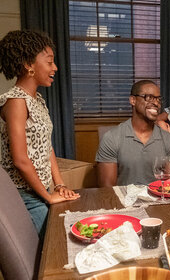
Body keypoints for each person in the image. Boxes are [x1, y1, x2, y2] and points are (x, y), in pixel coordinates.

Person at [0, 30, 80, 237]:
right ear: (29, 64)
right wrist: (48, 196)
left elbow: (46, 147)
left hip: (39, 191)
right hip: (24, 194)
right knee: (55, 245)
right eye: (50, 62)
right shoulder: (16, 101)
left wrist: (59, 184)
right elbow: (20, 159)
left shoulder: (37, 100)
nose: (55, 68)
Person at [96, 80, 170, 187]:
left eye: (158, 99)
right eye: (148, 97)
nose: (156, 103)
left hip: (158, 201)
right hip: (123, 202)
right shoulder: (111, 138)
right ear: (133, 100)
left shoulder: (168, 139)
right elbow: (107, 190)